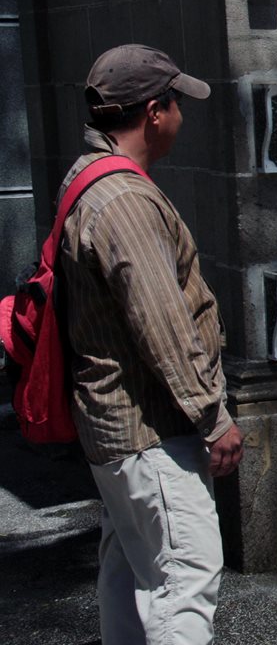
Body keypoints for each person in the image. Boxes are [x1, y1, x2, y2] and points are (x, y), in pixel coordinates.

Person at [59, 44, 243, 643]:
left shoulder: (88, 179)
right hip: (147, 434)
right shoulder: (126, 201)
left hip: (116, 432)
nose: (181, 119)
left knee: (132, 571)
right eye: (176, 105)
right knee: (185, 577)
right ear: (155, 112)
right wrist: (213, 418)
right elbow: (164, 325)